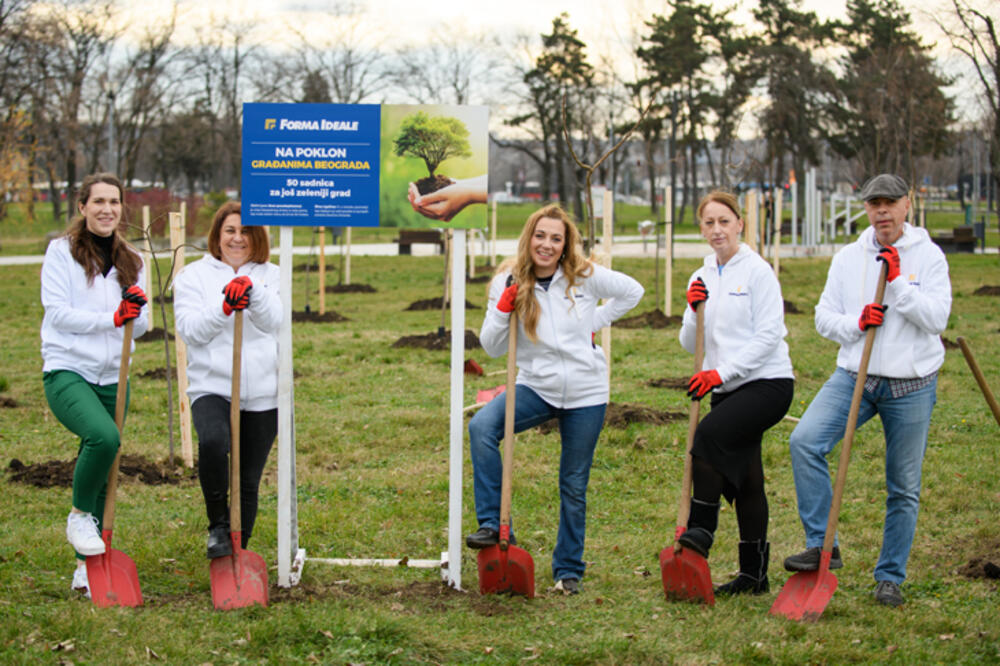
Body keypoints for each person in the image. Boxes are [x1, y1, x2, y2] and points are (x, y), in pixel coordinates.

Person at [783, 174, 952, 607]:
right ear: (865, 209)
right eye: (874, 204)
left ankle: (890, 577)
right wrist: (857, 323)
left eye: (890, 203)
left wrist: (898, 285)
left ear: (907, 205)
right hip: (855, 375)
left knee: (903, 485)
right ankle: (824, 544)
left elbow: (936, 320)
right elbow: (824, 318)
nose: (881, 211)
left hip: (911, 384)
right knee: (805, 441)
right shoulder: (848, 258)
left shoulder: (929, 257)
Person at [466, 204, 644, 595]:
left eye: (556, 239)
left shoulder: (583, 276)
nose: (546, 245)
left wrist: (591, 324)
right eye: (540, 236)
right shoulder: (507, 280)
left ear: (566, 246)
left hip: (586, 393)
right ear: (529, 237)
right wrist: (502, 309)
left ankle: (568, 569)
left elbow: (633, 291)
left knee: (573, 482)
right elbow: (493, 348)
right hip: (536, 387)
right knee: (481, 426)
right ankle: (491, 523)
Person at [675, 191, 795, 596]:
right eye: (708, 223)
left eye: (724, 221)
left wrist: (720, 372)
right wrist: (692, 310)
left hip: (767, 384)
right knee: (747, 482)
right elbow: (687, 341)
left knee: (707, 437)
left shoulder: (758, 272)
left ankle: (702, 530)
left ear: (740, 224)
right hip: (725, 388)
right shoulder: (701, 275)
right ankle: (754, 575)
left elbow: (769, 337)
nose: (716, 230)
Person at [41, 172, 149, 599]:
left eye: (115, 202)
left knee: (106, 469)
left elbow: (141, 327)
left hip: (114, 375)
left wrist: (136, 312)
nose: (107, 209)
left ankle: (88, 569)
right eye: (98, 201)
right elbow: (58, 313)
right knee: (103, 438)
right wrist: (113, 318)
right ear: (82, 207)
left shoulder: (132, 259)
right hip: (68, 370)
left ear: (122, 209)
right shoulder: (61, 253)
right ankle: (77, 516)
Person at [173, 201, 282, 559]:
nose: (238, 238)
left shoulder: (274, 275)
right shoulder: (193, 277)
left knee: (248, 479)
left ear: (257, 236)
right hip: (212, 386)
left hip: (264, 392)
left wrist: (253, 292)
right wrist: (223, 306)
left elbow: (276, 322)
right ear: (217, 236)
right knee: (215, 442)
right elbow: (192, 332)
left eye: (245, 231)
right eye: (230, 231)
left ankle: (238, 552)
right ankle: (218, 525)